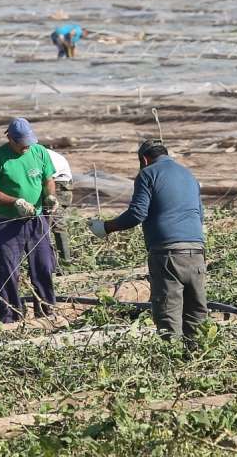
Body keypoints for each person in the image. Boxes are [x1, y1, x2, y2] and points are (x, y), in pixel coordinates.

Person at [88, 140, 208, 348]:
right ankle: (198, 355)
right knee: (196, 311)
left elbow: (137, 214)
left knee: (168, 312)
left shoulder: (148, 173)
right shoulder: (189, 175)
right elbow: (200, 215)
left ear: (144, 159)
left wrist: (106, 227)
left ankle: (173, 359)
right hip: (196, 251)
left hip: (168, 253)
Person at [0, 117, 58, 323]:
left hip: (36, 220)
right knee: (7, 269)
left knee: (43, 266)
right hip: (8, 222)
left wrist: (50, 197)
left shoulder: (39, 151)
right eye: (22, 144)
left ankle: (46, 312)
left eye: (28, 143)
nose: (26, 147)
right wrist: (15, 202)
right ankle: (10, 317)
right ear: (11, 139)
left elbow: (48, 180)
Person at [48, 149, 75, 263]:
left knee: (55, 223)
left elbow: (48, 178)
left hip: (59, 187)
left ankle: (64, 261)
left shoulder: (46, 156)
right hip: (54, 184)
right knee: (46, 223)